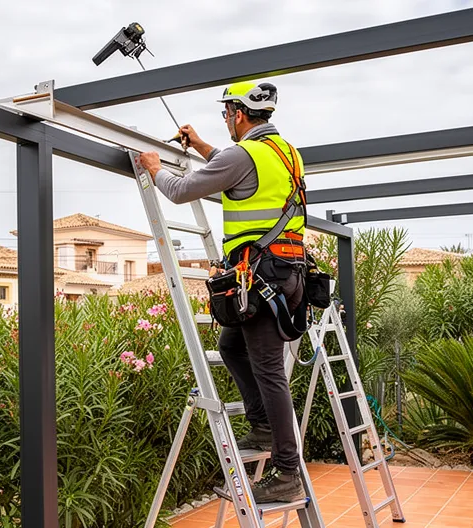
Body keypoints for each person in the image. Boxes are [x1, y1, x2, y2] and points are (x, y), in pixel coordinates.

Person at [137, 80, 308, 504]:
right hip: (288, 273)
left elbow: (179, 192)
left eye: (226, 114)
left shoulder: (241, 153)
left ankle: (288, 474)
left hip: (262, 276)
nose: (226, 121)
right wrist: (199, 146)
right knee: (231, 346)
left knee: (269, 371)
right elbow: (236, 169)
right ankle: (263, 425)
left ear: (238, 114)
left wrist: (154, 167)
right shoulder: (285, 153)